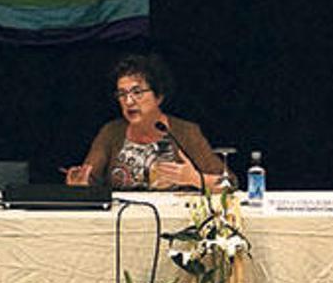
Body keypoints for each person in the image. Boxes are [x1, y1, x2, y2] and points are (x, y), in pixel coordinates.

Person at [65, 54, 230, 191]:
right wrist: (80, 185)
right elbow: (90, 180)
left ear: (159, 96)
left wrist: (194, 179)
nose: (128, 101)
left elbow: (229, 184)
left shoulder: (185, 132)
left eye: (137, 92)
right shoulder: (111, 132)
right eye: (122, 94)